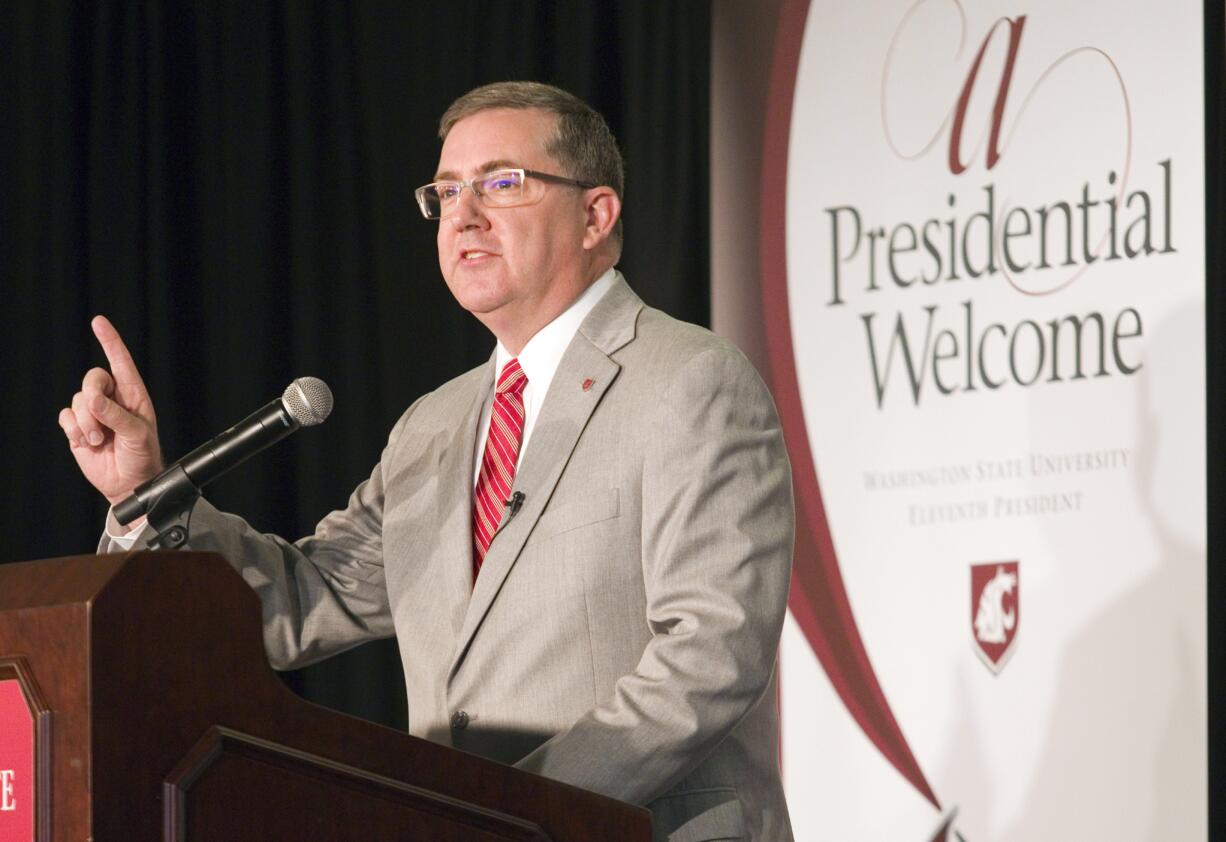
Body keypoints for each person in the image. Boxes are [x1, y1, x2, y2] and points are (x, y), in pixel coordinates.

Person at [59, 82, 795, 841]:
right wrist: (145, 491)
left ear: (595, 214)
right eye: (446, 191)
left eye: (501, 183)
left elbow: (712, 653)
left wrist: (515, 815)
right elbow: (299, 601)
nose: (463, 215)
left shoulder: (690, 380)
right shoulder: (433, 426)